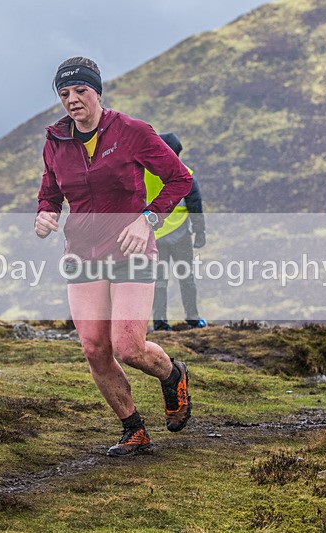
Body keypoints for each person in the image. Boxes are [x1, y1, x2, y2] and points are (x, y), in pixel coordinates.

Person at [34, 56, 193, 457]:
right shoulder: (56, 142)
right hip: (83, 254)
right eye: (64, 93)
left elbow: (181, 178)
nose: (72, 100)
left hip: (131, 249)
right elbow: (51, 190)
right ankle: (134, 430)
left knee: (129, 346)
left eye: (80, 91)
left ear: (97, 92)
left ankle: (173, 374)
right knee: (94, 349)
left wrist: (148, 219)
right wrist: (45, 212)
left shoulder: (132, 132)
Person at [144, 132, 208, 331]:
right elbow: (195, 206)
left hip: (155, 235)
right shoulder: (185, 174)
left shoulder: (145, 174)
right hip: (181, 235)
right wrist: (200, 233)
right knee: (186, 278)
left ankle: (160, 323)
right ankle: (193, 318)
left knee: (159, 280)